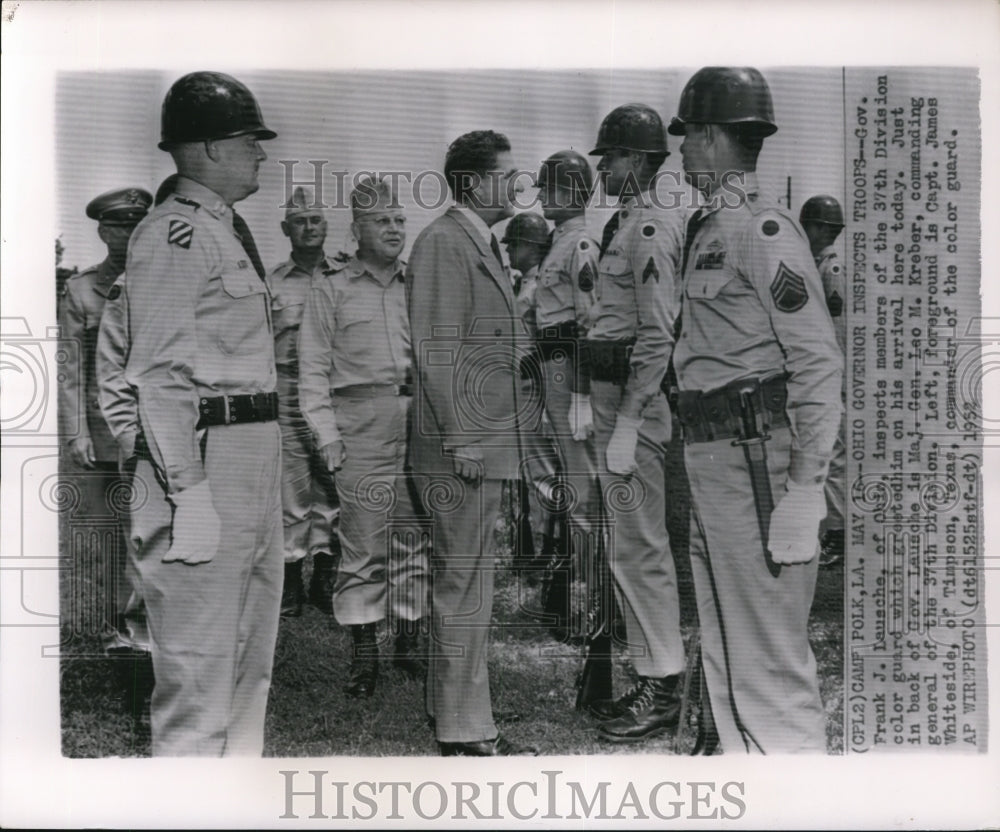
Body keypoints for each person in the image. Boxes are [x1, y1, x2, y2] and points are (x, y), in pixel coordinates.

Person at [669, 66, 843, 753]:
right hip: (714, 459)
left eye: (688, 136)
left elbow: (816, 361)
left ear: (713, 138)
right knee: (727, 651)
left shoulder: (760, 229)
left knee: (768, 662)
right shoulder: (709, 228)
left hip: (755, 466)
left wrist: (805, 490)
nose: (680, 149)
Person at [123, 71, 281, 756]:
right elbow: (159, 376)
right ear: (211, 148)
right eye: (251, 141)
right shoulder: (173, 235)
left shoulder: (222, 232)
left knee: (249, 658)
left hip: (251, 450)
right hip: (206, 455)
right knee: (197, 670)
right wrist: (188, 491)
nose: (262, 155)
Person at [407, 130, 536, 756]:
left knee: (466, 580)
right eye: (508, 175)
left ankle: (452, 707)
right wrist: (462, 438)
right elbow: (438, 352)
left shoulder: (472, 241)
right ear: (476, 182)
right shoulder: (443, 242)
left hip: (480, 443)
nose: (518, 185)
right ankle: (465, 729)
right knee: (465, 585)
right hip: (462, 447)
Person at [298, 176, 430, 698]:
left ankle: (409, 642)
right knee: (362, 541)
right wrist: (326, 434)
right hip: (358, 422)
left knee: (415, 535)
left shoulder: (417, 284)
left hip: (415, 417)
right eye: (382, 221)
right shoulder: (331, 287)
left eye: (400, 220)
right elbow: (311, 370)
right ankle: (364, 653)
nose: (395, 229)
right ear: (356, 230)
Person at [583, 105, 687, 743]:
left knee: (640, 548)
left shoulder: (649, 224)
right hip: (611, 394)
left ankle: (664, 687)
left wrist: (628, 420)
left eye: (613, 157)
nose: (604, 168)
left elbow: (656, 334)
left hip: (634, 403)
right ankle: (655, 672)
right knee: (628, 543)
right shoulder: (626, 221)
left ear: (642, 160)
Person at [59, 185, 152, 655]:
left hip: (149, 429)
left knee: (145, 529)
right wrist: (76, 431)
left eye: (138, 224)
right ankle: (120, 618)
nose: (130, 233)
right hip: (100, 432)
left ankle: (138, 627)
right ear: (102, 230)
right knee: (108, 531)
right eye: (120, 225)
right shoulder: (81, 290)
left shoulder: (158, 283)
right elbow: (71, 369)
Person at [532, 150, 603, 641]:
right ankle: (576, 598)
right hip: (552, 371)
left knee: (581, 493)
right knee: (567, 488)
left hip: (569, 372)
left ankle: (588, 605)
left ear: (568, 193)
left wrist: (580, 395)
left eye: (548, 188)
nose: (541, 196)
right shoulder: (559, 243)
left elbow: (588, 327)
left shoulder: (580, 245)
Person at [266, 185, 342, 617]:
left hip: (334, 392)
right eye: (300, 221)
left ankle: (326, 578)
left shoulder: (345, 276)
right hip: (289, 392)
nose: (310, 227)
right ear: (286, 228)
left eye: (316, 219)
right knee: (292, 487)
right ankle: (291, 580)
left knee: (332, 485)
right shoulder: (272, 282)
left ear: (326, 225)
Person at [800, 194, 847, 568]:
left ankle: (839, 533)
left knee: (834, 456)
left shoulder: (831, 270)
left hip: (834, 376)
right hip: (822, 376)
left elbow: (838, 330)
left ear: (821, 229)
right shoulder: (815, 265)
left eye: (808, 225)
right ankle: (830, 529)